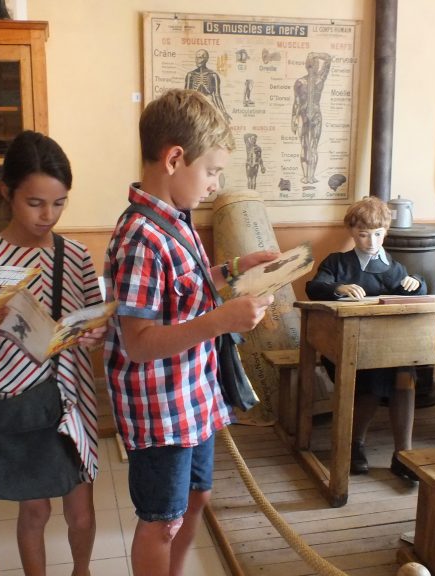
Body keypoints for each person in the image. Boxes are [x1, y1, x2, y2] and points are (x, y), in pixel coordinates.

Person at [104, 88, 275, 576]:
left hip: (193, 396)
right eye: (213, 170)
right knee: (161, 521)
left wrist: (237, 270)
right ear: (175, 158)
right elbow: (138, 343)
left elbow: (183, 290)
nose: (216, 185)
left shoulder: (175, 219)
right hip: (161, 409)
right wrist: (221, 319)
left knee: (197, 497)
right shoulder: (141, 236)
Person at [0, 131, 106, 576]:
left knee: (80, 507)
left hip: (72, 400)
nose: (49, 215)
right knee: (34, 512)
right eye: (36, 203)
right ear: (7, 193)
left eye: (60, 202)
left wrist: (95, 335)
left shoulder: (76, 255)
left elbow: (94, 324)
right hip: (19, 403)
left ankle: (81, 571)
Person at [305, 196, 427, 480]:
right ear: (352, 232)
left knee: (405, 375)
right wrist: (339, 287)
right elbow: (315, 287)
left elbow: (413, 294)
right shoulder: (338, 262)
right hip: (344, 346)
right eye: (362, 234)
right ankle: (354, 444)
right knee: (372, 379)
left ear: (385, 232)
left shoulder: (394, 267)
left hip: (387, 346)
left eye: (377, 234)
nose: (370, 241)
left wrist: (417, 282)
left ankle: (403, 455)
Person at [291, 51, 331, 186]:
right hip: (303, 115)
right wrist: (293, 119)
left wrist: (316, 54)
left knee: (313, 147)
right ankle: (305, 176)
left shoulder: (320, 79)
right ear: (307, 66)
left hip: (316, 115)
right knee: (304, 146)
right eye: (312, 64)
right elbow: (296, 102)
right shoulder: (300, 82)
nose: (315, 67)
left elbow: (328, 59)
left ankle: (311, 176)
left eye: (316, 64)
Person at [184, 49, 232, 123]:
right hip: (194, 109)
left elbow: (217, 96)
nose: (197, 60)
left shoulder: (213, 75)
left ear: (206, 59)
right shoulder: (190, 75)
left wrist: (224, 113)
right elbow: (185, 96)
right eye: (197, 57)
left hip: (209, 107)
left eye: (201, 57)